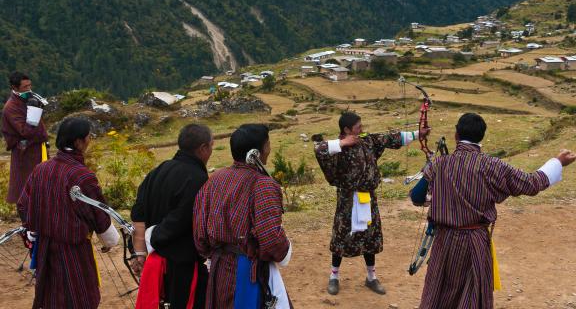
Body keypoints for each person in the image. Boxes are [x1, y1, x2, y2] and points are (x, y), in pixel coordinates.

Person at [410, 113, 576, 309]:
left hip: (444, 241)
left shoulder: (439, 163)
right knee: (472, 296)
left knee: (439, 291)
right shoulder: (492, 166)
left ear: (456, 134)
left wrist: (437, 194)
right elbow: (531, 183)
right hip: (474, 242)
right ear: (482, 137)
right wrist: (557, 162)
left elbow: (416, 197)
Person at [314, 111, 429, 295]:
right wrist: (344, 143)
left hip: (368, 198)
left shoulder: (367, 141)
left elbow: (390, 138)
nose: (362, 129)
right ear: (346, 129)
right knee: (341, 237)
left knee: (370, 236)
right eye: (358, 127)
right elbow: (319, 149)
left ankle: (371, 277)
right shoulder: (337, 147)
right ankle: (334, 276)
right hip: (348, 199)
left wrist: (418, 134)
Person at [17, 117, 120, 309]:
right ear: (78, 142)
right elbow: (100, 217)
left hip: (45, 250)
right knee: (79, 299)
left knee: (51, 299)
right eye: (89, 136)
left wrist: (33, 231)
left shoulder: (41, 169)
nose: (90, 140)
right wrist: (110, 241)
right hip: (73, 252)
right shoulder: (83, 176)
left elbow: (23, 204)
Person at [194, 124, 292, 309]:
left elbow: (200, 234)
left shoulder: (215, 179)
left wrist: (216, 255)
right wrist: (284, 249)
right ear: (256, 153)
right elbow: (271, 240)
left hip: (219, 270)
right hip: (248, 274)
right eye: (267, 145)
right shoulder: (262, 185)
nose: (269, 150)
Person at [131, 124, 214, 309]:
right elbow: (180, 220)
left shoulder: (158, 171)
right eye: (211, 146)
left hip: (156, 261)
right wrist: (154, 237)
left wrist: (140, 250)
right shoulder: (197, 178)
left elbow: (138, 212)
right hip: (182, 265)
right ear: (203, 148)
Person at [2, 71, 48, 203]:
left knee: (42, 183)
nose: (29, 89)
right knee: (25, 187)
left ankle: (40, 216)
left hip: (39, 148)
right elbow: (25, 131)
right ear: (15, 88)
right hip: (24, 152)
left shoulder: (27, 99)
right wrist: (34, 113)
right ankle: (27, 219)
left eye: (30, 85)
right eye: (25, 87)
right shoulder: (11, 107)